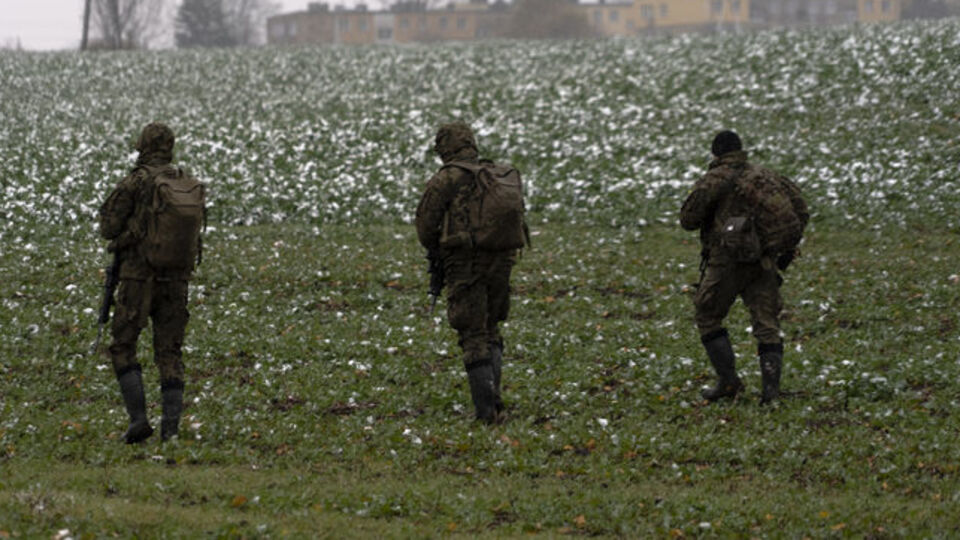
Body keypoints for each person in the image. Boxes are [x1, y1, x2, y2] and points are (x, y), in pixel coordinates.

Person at [680, 130, 808, 404]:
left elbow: (688, 220)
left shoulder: (715, 179)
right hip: (764, 261)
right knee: (767, 324)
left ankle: (728, 382)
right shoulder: (766, 176)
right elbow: (801, 209)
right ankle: (770, 393)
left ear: (715, 152)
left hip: (727, 261)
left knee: (707, 314)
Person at [99, 122, 205, 442]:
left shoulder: (136, 182)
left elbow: (108, 227)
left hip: (138, 279)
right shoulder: (184, 182)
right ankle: (170, 430)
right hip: (176, 279)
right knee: (170, 352)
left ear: (142, 145)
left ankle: (139, 420)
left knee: (122, 346)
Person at [415, 122, 527, 423]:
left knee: (472, 332)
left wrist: (442, 249)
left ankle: (486, 413)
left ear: (444, 148)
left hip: (466, 264)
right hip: (502, 260)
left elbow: (425, 226)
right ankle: (495, 403)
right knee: (491, 328)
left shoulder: (447, 178)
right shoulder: (494, 174)